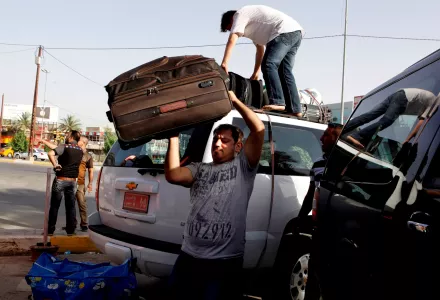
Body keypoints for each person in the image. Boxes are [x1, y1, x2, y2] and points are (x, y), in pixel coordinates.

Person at [165, 91, 265, 300]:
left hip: (224, 261)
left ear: (238, 146)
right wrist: (173, 137)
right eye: (215, 140)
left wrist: (235, 101)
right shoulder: (199, 169)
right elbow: (173, 174)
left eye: (225, 141)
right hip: (189, 256)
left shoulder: (243, 166)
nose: (217, 144)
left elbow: (258, 129)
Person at [220, 5, 304, 116]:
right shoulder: (255, 28)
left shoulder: (239, 15)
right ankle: (295, 109)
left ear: (231, 19)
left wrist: (225, 62)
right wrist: (256, 73)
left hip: (283, 31)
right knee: (284, 71)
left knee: (269, 64)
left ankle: (278, 101)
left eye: (229, 27)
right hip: (295, 32)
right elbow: (260, 50)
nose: (231, 30)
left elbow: (232, 39)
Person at [345, 88, 436, 149]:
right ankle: (355, 136)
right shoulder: (435, 102)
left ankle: (343, 130)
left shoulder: (429, 99)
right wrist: (408, 140)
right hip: (403, 98)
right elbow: (421, 123)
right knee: (387, 121)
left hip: (398, 94)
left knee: (370, 115)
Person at [39, 131, 83, 235]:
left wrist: (55, 164)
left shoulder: (64, 147)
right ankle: (70, 231)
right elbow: (57, 147)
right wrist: (45, 142)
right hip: (72, 182)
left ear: (71, 137)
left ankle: (50, 231)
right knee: (71, 207)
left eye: (68, 136)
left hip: (60, 180)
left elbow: (51, 153)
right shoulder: (80, 150)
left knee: (55, 206)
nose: (66, 137)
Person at [297, 123, 343, 221]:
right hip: (320, 219)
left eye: (326, 135)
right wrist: (300, 218)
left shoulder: (351, 164)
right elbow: (311, 195)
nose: (321, 138)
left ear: (337, 139)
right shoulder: (317, 163)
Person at [75, 136, 94, 232]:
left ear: (83, 143)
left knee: (82, 204)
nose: (77, 141)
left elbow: (91, 171)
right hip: (70, 181)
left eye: (78, 140)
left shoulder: (88, 156)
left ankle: (84, 223)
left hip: (80, 183)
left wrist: (90, 183)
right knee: (70, 204)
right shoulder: (74, 152)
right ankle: (71, 224)